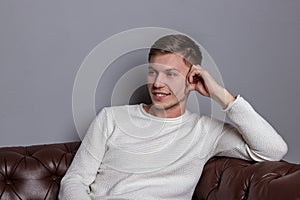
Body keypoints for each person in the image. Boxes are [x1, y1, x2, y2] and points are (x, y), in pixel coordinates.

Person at [59, 34, 288, 200]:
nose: (158, 83)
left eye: (170, 74)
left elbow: (272, 149)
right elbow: (74, 181)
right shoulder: (111, 118)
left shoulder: (205, 131)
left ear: (193, 79)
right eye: (153, 72)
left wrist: (221, 95)